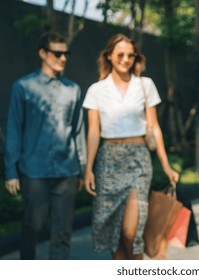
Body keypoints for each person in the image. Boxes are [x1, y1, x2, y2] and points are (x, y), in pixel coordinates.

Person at [83, 33, 180, 260]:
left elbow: (155, 127)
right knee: (114, 236)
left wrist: (166, 166)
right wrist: (88, 169)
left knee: (131, 231)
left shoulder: (145, 85)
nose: (125, 59)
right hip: (108, 161)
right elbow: (93, 131)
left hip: (138, 160)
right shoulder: (96, 90)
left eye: (130, 55)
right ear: (109, 56)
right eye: (120, 54)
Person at [4, 32, 86, 260]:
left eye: (66, 53)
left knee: (62, 233)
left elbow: (78, 130)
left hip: (67, 171)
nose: (63, 58)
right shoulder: (23, 87)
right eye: (58, 53)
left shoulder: (73, 89)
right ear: (43, 53)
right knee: (33, 227)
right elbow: (14, 129)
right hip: (34, 170)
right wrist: (11, 170)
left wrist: (82, 167)